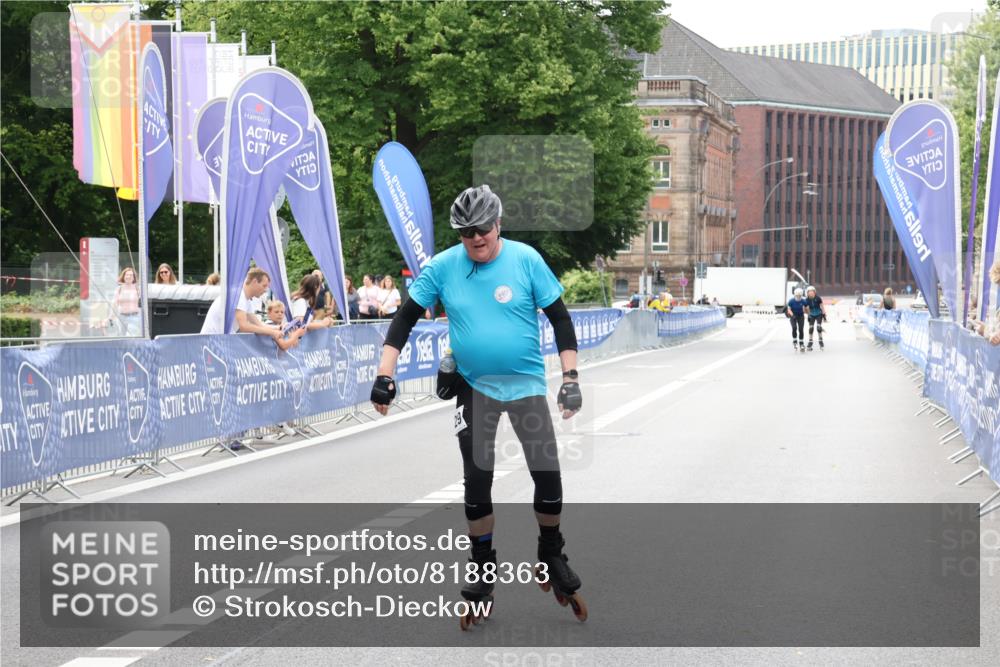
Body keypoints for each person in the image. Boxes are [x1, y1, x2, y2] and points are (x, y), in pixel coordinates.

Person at [370, 184, 587, 625]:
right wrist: (384, 375)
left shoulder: (525, 259)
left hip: (525, 384)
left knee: (547, 474)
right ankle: (483, 568)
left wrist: (570, 379)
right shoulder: (444, 267)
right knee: (477, 479)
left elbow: (561, 319)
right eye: (467, 232)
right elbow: (403, 319)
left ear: (498, 224)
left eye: (482, 229)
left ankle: (551, 554)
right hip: (474, 386)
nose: (476, 238)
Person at [200, 267, 282, 339]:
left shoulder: (245, 298)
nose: (265, 290)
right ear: (254, 282)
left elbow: (259, 324)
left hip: (218, 340)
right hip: (211, 341)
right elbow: (244, 326)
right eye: (264, 286)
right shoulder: (239, 296)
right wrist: (272, 332)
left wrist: (278, 328)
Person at [112, 267, 141, 336]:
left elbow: (142, 303)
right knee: (121, 338)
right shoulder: (119, 288)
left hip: (134, 317)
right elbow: (114, 303)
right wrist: (111, 316)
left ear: (134, 277)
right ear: (124, 276)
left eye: (131, 275)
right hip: (121, 317)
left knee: (131, 336)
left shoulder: (138, 288)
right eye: (127, 275)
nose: (128, 276)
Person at [803, 285, 826, 351]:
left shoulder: (818, 298)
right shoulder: (806, 300)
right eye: (809, 292)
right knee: (811, 328)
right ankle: (810, 342)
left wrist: (824, 314)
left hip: (818, 313)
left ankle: (821, 341)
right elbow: (805, 310)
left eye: (812, 292)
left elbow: (822, 307)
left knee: (818, 327)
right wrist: (808, 314)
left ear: (814, 292)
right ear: (807, 293)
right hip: (811, 314)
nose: (811, 293)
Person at [786, 287, 806, 352]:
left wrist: (809, 315)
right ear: (795, 295)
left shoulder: (803, 301)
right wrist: (792, 315)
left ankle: (801, 343)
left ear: (801, 295)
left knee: (801, 329)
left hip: (800, 316)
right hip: (793, 316)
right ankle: (794, 341)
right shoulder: (791, 301)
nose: (798, 297)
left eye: (800, 295)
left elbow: (807, 308)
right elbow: (788, 309)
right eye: (797, 295)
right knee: (794, 328)